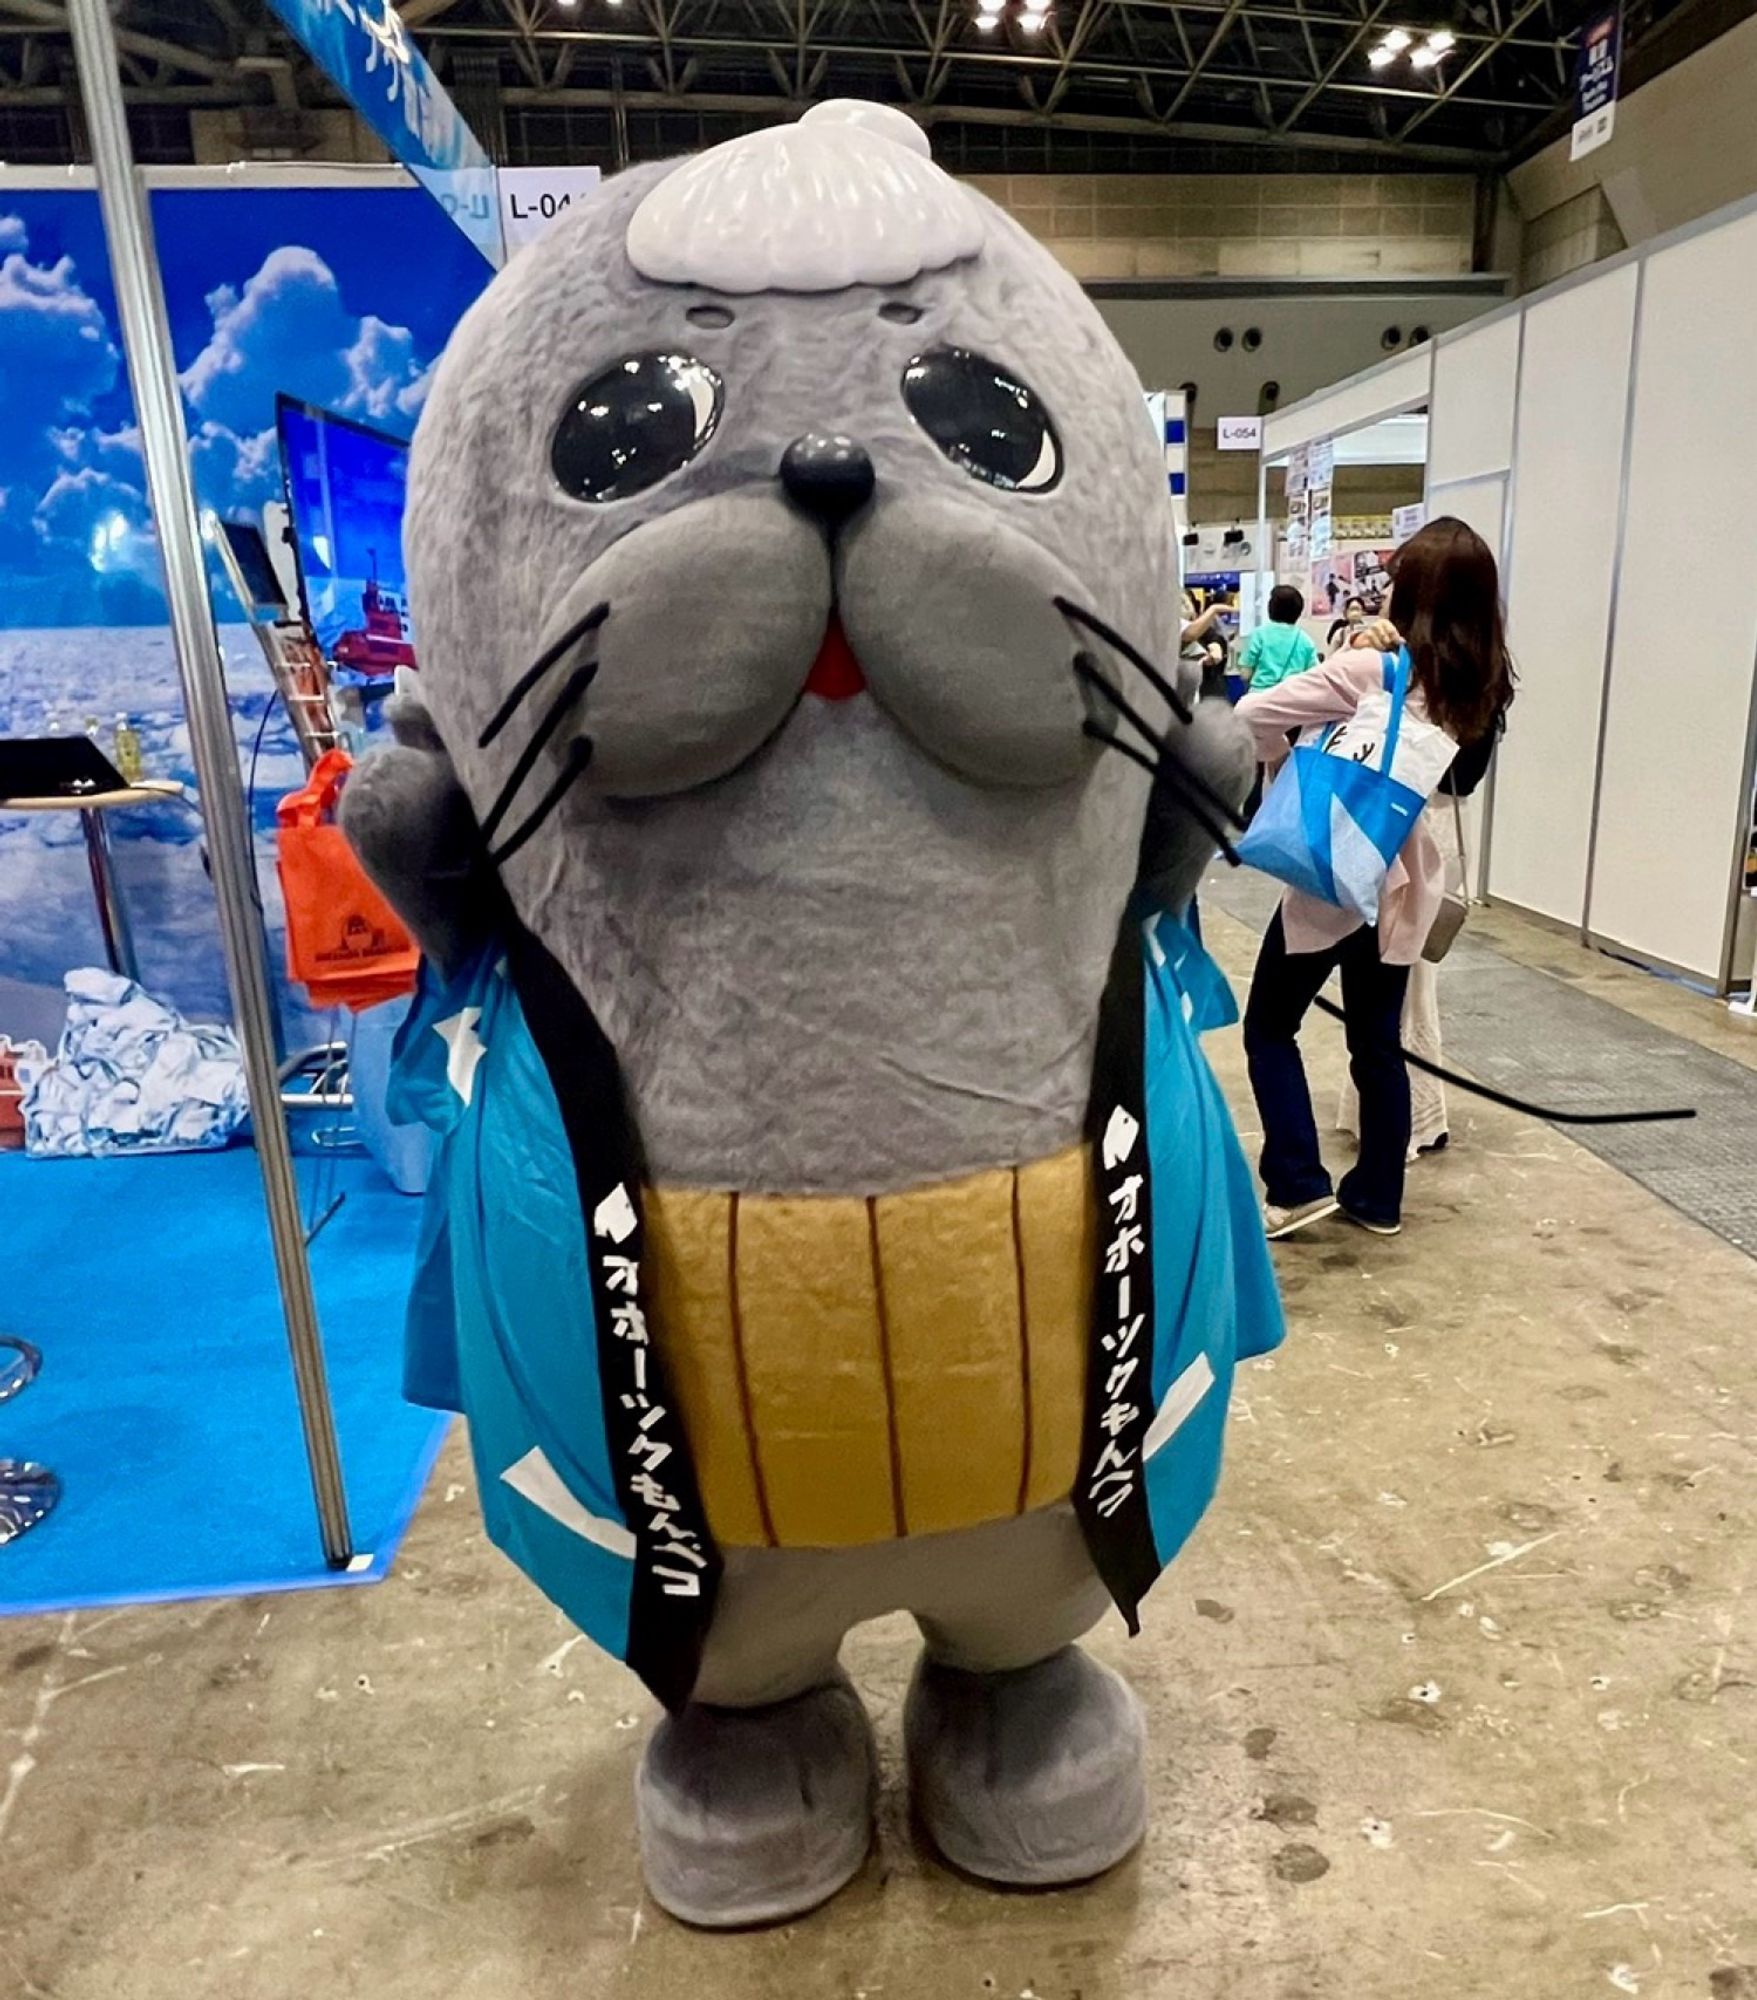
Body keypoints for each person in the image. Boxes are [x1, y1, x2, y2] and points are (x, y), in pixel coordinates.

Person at [1234, 517, 1515, 1240]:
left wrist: (1275, 766)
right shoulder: (1479, 684)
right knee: (1376, 1041)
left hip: (1337, 869)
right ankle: (1376, 1197)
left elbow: (1250, 710)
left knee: (1269, 1027)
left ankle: (1295, 1182)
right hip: (1408, 880)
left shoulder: (1369, 670)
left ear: (1412, 597)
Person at [1238, 585, 1319, 691]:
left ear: (1271, 608)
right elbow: (1315, 675)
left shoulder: (1259, 634)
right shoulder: (1306, 640)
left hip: (1260, 697)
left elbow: (1245, 673)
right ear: (1298, 612)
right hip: (1293, 698)